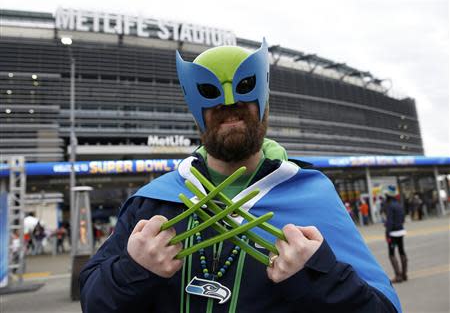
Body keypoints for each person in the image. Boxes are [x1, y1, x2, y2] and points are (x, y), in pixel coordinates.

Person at [80, 40, 401, 312]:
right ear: (196, 111)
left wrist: (320, 274)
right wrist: (131, 270)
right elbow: (93, 300)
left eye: (243, 98)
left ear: (264, 104)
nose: (229, 104)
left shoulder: (311, 194)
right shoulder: (152, 203)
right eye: (215, 104)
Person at [383, 186, 408, 283]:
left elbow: (390, 221)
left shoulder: (389, 206)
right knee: (402, 252)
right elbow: (402, 219)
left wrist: (387, 233)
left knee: (391, 254)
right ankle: (404, 274)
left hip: (393, 233)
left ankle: (398, 276)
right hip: (401, 231)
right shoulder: (399, 205)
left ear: (388, 196)